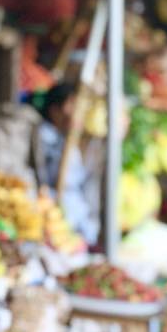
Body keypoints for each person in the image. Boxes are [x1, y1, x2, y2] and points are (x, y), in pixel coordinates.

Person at [33, 82, 101, 246]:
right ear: (55, 110)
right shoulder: (43, 136)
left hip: (73, 227)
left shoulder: (67, 141)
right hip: (54, 222)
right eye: (72, 105)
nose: (78, 113)